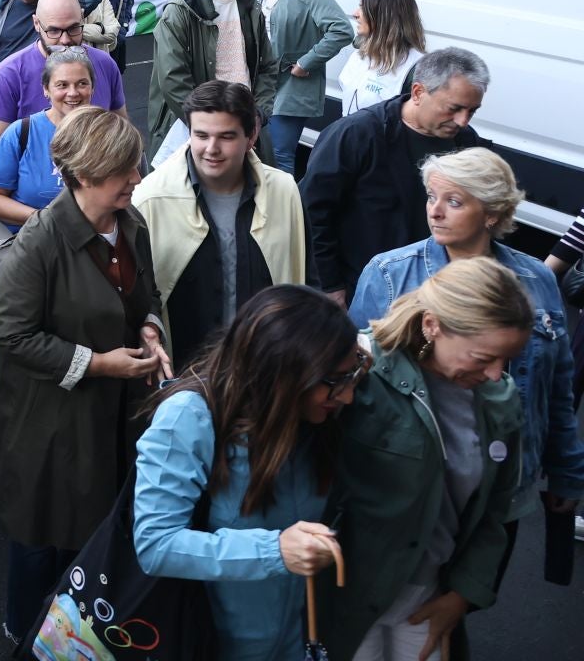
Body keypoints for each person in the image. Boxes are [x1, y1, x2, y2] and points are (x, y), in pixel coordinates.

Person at [0, 106, 169, 643]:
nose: (137, 177)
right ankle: (25, 639)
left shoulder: (130, 224)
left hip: (109, 423)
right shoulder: (39, 242)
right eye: (125, 169)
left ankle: (72, 644)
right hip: (51, 430)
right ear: (87, 174)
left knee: (90, 545)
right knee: (42, 544)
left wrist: (151, 329)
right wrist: (97, 363)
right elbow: (12, 336)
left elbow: (148, 295)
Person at [349, 148, 583, 528]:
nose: (435, 211)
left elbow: (557, 386)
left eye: (454, 202)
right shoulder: (390, 274)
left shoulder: (536, 279)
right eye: (431, 197)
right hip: (411, 483)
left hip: (504, 482)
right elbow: (354, 377)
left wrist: (567, 469)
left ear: (492, 213)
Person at [319, 258, 530, 661]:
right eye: (483, 357)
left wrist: (463, 594)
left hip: (428, 598)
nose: (495, 374)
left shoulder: (499, 400)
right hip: (346, 596)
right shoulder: (360, 373)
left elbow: (497, 510)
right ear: (432, 325)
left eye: (507, 359)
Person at [132, 285, 356, 661]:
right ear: (282, 373)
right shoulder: (189, 416)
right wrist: (275, 551)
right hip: (205, 644)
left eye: (353, 376)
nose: (348, 395)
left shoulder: (309, 418)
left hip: (291, 642)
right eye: (335, 381)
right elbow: (155, 544)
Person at [134, 80, 307, 370]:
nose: (211, 148)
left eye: (226, 136)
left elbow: (305, 276)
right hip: (186, 373)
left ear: (251, 136)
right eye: (201, 135)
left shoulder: (284, 191)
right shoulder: (150, 198)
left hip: (265, 367)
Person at [303, 46, 491, 300]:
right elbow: (312, 213)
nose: (463, 121)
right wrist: (330, 286)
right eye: (453, 108)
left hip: (435, 291)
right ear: (418, 92)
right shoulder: (357, 134)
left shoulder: (466, 143)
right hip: (365, 290)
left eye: (472, 111)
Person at [150, 0, 278, 164]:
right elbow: (174, 81)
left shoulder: (251, 7)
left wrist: (258, 115)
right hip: (194, 133)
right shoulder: (180, 12)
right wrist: (213, 128)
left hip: (245, 126)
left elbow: (267, 68)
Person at [0, 0, 127, 158]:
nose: (65, 40)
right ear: (36, 23)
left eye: (73, 28)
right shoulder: (6, 76)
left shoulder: (106, 65)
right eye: (54, 31)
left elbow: (120, 128)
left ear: (82, 18)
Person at [255, 0, 354, 171]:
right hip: (262, 80)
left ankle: (284, 198)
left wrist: (305, 62)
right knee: (259, 152)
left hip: (291, 84)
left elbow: (342, 30)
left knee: (278, 154)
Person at [0, 47, 97, 234]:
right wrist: (46, 219)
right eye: (62, 85)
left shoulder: (108, 133)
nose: (73, 93)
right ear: (46, 89)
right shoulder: (21, 132)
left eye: (82, 83)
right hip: (31, 243)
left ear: (92, 88)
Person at [337, 0, 428, 116]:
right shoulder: (359, 55)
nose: (355, 14)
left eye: (363, 8)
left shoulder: (416, 69)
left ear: (384, 16)